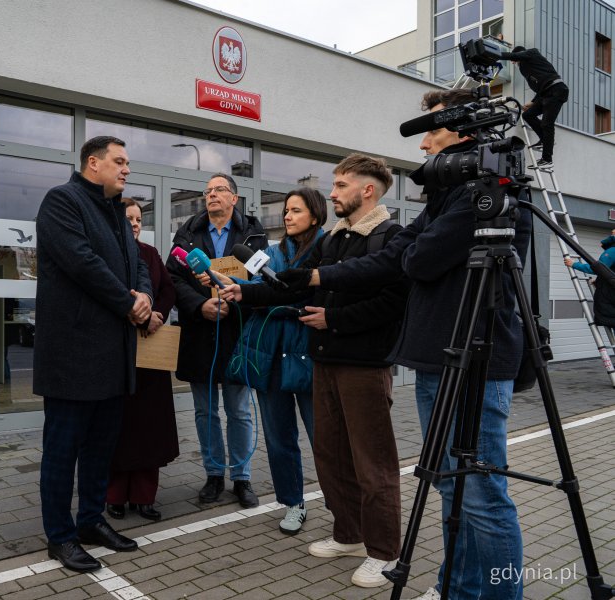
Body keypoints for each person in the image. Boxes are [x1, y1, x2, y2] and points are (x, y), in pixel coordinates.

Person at [260, 89, 531, 600]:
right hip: (436, 356)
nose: (424, 142)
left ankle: (498, 592)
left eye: (433, 129)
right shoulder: (448, 197)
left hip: (474, 357)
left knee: (481, 494)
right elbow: (395, 259)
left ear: (466, 131)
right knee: (453, 486)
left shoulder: (491, 190)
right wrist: (314, 275)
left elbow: (416, 262)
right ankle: (460, 585)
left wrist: (402, 261)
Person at [220, 155, 409, 587]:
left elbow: (395, 304)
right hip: (324, 360)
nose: (333, 192)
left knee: (372, 462)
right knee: (331, 454)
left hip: (364, 365)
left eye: (341, 185)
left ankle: (384, 552)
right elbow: (289, 283)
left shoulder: (389, 236)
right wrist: (243, 293)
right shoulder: (334, 239)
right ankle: (349, 534)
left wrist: (335, 320)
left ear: (368, 190)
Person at [34, 136, 153, 573]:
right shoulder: (62, 202)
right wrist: (128, 301)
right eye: (119, 161)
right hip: (72, 357)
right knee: (62, 451)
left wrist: (142, 293)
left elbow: (136, 261)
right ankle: (60, 536)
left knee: (101, 449)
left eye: (127, 163)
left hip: (113, 356)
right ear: (92, 162)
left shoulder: (117, 210)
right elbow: (82, 263)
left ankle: (89, 522)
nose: (126, 170)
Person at [220, 187, 326, 534]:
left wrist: (265, 298)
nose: (287, 216)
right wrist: (235, 287)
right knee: (279, 438)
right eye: (286, 211)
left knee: (323, 438)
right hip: (268, 356)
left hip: (310, 356)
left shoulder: (329, 248)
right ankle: (293, 503)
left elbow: (307, 295)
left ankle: (343, 503)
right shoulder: (268, 253)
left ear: (315, 214)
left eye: (296, 211)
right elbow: (260, 294)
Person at [166, 173, 268, 508]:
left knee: (239, 410)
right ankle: (213, 475)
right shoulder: (187, 234)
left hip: (238, 334)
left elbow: (264, 281)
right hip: (201, 333)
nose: (211, 195)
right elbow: (172, 279)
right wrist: (200, 305)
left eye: (219, 190)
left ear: (234, 198)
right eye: (208, 191)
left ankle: (241, 478)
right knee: (205, 411)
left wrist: (241, 297)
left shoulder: (253, 235)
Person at [105, 198, 179, 522]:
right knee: (117, 429)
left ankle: (145, 497)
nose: (135, 224)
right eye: (129, 218)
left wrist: (156, 314)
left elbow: (168, 289)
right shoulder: (106, 251)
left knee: (150, 429)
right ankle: (115, 497)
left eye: (138, 219)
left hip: (150, 356)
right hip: (117, 354)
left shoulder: (150, 254)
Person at [501, 45, 569, 170]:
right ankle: (544, 140)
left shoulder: (532, 53)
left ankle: (547, 160)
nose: (513, 62)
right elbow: (540, 87)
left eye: (515, 60)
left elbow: (516, 56)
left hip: (556, 91)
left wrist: (494, 55)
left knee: (547, 124)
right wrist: (532, 103)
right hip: (545, 94)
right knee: (528, 115)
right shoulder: (526, 68)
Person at [564, 229, 615, 328]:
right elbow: (609, 272)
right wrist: (599, 281)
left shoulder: (612, 251)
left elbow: (597, 268)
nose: (612, 233)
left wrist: (574, 264)